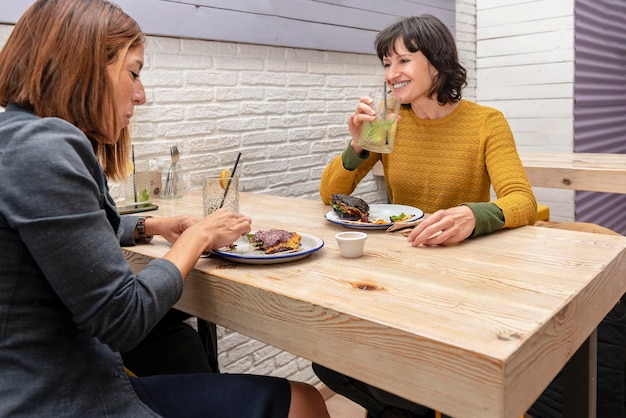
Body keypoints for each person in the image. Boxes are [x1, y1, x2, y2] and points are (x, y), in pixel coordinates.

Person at [0, 1, 331, 417]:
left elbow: (60, 234)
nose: (141, 95)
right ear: (84, 64)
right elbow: (123, 316)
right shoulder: (44, 149)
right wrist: (199, 236)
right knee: (303, 401)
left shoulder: (14, 138)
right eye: (134, 72)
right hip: (60, 397)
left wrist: (152, 225)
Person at [315, 14, 624, 418]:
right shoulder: (389, 122)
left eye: (404, 61)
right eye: (386, 64)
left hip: (464, 273)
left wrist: (472, 215)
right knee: (328, 360)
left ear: (438, 63)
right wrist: (356, 146)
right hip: (399, 267)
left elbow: (521, 201)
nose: (392, 74)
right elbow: (330, 194)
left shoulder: (485, 122)